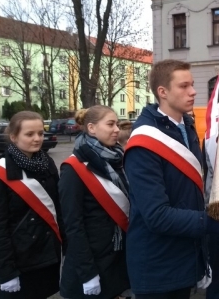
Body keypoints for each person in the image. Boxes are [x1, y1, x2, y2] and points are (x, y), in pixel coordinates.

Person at [124, 59, 219, 299]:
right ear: (163, 92)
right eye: (184, 86)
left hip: (185, 254)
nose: (193, 91)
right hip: (157, 265)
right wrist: (217, 222)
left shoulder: (186, 127)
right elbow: (157, 216)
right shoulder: (144, 142)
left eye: (193, 84)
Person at [0, 111, 64, 298]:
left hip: (47, 257)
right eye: (29, 134)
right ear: (13, 136)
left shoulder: (47, 163)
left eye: (41, 133)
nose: (37, 139)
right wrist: (6, 272)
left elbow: (58, 210)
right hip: (19, 261)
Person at [59, 106, 130, 299]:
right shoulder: (73, 168)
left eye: (116, 123)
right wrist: (88, 273)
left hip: (116, 259)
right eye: (110, 124)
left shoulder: (118, 159)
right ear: (91, 128)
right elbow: (73, 226)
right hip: (90, 265)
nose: (116, 129)